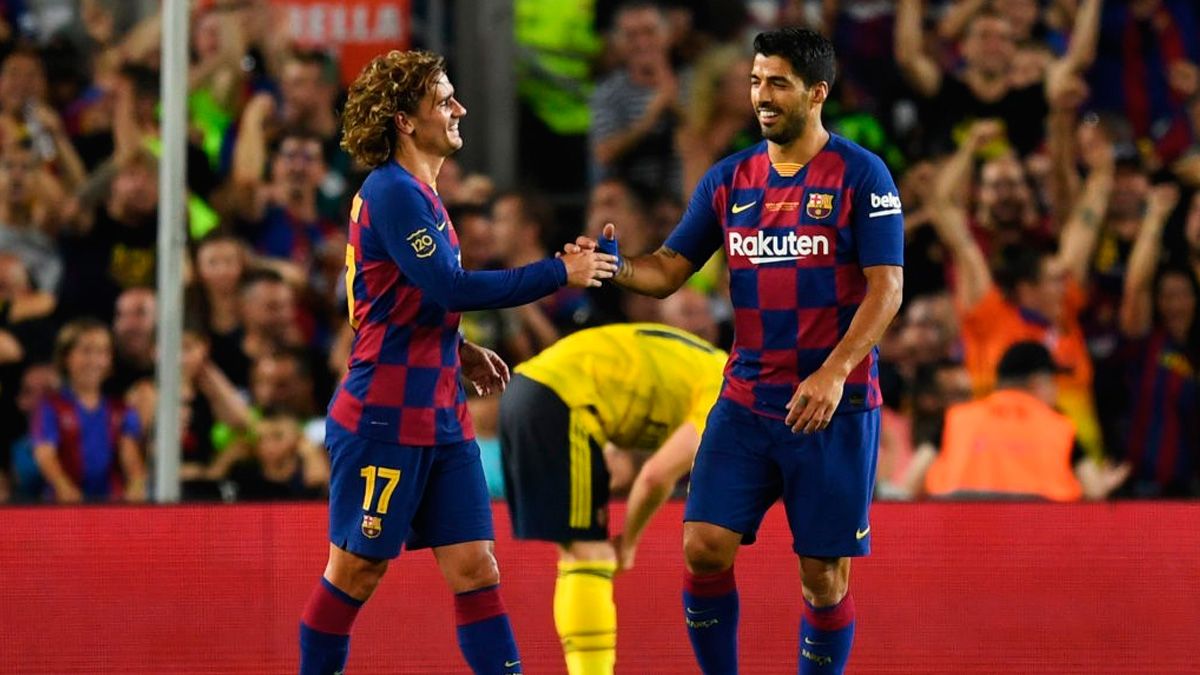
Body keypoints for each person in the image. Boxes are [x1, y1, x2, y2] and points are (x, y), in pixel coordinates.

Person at [574, 28, 904, 675]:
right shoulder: (731, 180)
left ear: (817, 92)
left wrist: (835, 372)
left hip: (833, 407)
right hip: (748, 399)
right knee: (702, 545)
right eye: (755, 82)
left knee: (823, 578)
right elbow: (670, 267)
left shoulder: (861, 175)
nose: (762, 97)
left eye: (777, 83)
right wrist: (612, 266)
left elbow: (887, 288)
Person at [297, 49, 615, 675]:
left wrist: (456, 346)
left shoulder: (423, 195)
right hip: (384, 414)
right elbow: (450, 287)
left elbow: (397, 298)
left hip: (440, 412)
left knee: (476, 567)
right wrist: (561, 271)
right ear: (404, 121)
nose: (458, 108)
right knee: (356, 571)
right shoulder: (392, 192)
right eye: (443, 99)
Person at [499, 323, 726, 675]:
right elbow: (656, 476)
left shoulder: (706, 364)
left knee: (580, 554)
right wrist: (630, 542)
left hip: (534, 387)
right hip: (562, 401)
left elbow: (629, 389)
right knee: (590, 554)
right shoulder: (725, 395)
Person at [921, 341, 1131, 501]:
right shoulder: (1059, 426)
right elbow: (1093, 490)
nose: (1056, 392)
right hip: (1036, 545)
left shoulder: (956, 418)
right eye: (1054, 383)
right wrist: (1104, 484)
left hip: (958, 538)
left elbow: (908, 482)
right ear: (1037, 383)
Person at [31, 319, 146, 503]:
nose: (94, 360)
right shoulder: (50, 408)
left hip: (110, 506)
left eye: (102, 352)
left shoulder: (122, 410)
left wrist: (136, 485)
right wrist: (64, 488)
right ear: (66, 357)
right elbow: (45, 455)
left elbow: (131, 459)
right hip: (61, 509)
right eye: (86, 351)